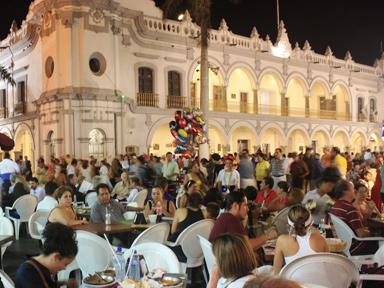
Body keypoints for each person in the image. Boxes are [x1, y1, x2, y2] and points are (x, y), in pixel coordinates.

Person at [15, 223, 78, 288]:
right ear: (56, 257)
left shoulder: (39, 267)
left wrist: (64, 283)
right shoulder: (28, 274)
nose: (64, 268)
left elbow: (46, 284)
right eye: (65, 264)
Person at [209, 191, 277, 250]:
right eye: (245, 205)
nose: (248, 209)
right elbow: (247, 246)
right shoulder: (231, 219)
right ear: (235, 206)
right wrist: (267, 236)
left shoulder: (224, 217)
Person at [273, 205, 329, 274]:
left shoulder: (282, 241)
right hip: (320, 283)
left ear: (289, 224)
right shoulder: (320, 239)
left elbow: (276, 273)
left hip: (294, 284)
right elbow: (328, 267)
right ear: (310, 223)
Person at [330, 180, 378, 255]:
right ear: (345, 191)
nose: (355, 191)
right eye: (352, 189)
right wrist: (376, 233)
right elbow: (361, 234)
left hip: (342, 245)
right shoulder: (350, 208)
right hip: (354, 247)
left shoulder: (335, 206)